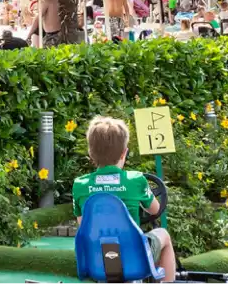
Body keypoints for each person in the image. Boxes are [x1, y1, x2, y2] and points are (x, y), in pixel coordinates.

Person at [73, 116, 176, 277]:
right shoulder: (136, 180)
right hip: (134, 257)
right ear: (124, 152)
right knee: (164, 235)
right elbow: (154, 209)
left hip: (97, 260)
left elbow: (83, 223)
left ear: (90, 153)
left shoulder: (80, 184)